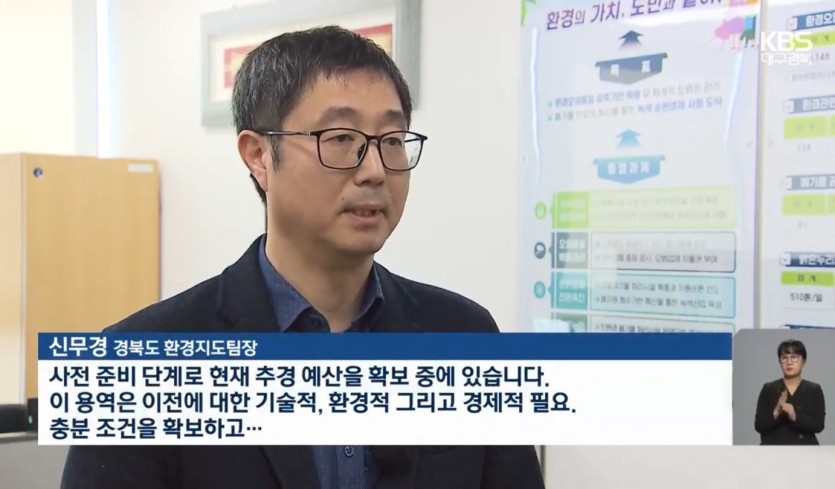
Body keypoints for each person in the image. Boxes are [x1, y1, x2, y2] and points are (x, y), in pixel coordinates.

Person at [60, 26, 545, 489]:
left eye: (392, 141)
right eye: (341, 139)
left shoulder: (465, 335)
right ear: (258, 155)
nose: (374, 170)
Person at [754, 339, 825, 445]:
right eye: (784, 358)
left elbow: (819, 425)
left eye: (794, 357)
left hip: (805, 450)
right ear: (779, 362)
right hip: (773, 449)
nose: (789, 362)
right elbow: (759, 426)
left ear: (803, 361)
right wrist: (776, 411)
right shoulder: (768, 389)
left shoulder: (814, 390)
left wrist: (794, 416)